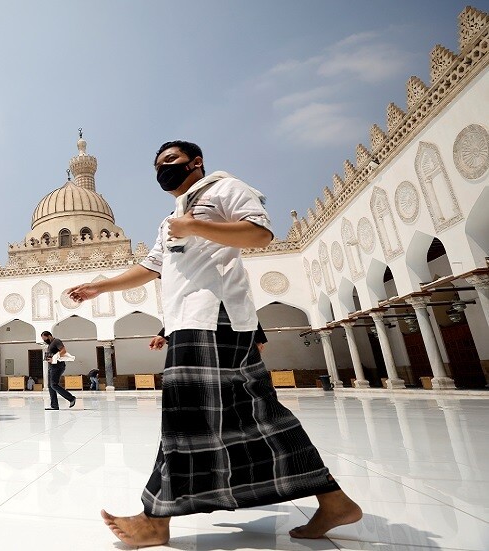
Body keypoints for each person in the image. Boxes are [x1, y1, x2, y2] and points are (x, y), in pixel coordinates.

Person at [67, 140, 361, 546]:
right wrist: (99, 287)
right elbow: (150, 266)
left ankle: (156, 519)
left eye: (170, 160)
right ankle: (333, 499)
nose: (163, 170)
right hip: (192, 321)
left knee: (184, 416)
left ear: (196, 162)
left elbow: (259, 234)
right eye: (157, 165)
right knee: (255, 415)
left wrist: (195, 226)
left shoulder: (223, 189)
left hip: (215, 318)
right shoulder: (171, 217)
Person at [40, 331, 76, 410]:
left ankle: (71, 398)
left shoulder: (56, 341)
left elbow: (63, 351)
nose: (44, 341)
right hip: (51, 366)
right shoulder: (50, 344)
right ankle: (54, 405)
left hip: (57, 366)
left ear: (49, 336)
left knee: (54, 385)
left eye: (45, 339)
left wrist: (54, 358)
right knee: (50, 386)